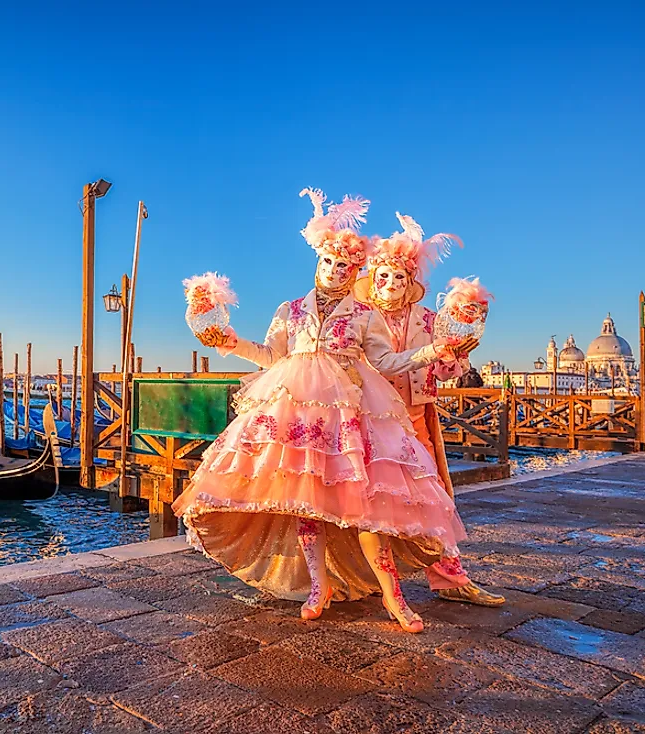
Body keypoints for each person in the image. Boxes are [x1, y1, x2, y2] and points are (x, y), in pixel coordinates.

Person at [175, 189, 472, 633]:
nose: (334, 270)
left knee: (367, 505)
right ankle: (320, 586)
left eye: (345, 266)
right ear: (318, 263)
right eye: (329, 262)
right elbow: (271, 355)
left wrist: (434, 350)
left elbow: (387, 363)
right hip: (297, 415)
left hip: (351, 414)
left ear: (355, 271)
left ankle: (394, 596)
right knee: (304, 504)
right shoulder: (290, 310)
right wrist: (229, 343)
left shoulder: (365, 315)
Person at [354, 214, 504, 607]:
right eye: (382, 277)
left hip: (416, 414)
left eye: (398, 278)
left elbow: (446, 368)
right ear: (373, 279)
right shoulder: (358, 319)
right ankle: (363, 576)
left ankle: (450, 576)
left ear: (410, 282)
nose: (390, 285)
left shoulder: (428, 319)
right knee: (363, 498)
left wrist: (456, 356)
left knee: (431, 496)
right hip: (366, 419)